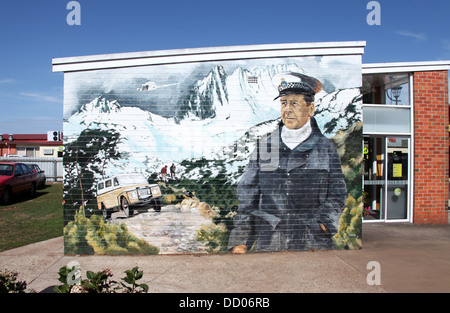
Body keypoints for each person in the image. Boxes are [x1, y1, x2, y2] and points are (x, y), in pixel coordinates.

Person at [227, 72, 347, 253]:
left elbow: (337, 193)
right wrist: (241, 239)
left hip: (313, 243)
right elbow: (247, 197)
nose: (287, 109)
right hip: (270, 243)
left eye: (294, 103)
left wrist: (323, 224)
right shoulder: (266, 147)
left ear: (311, 108)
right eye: (284, 103)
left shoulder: (325, 148)